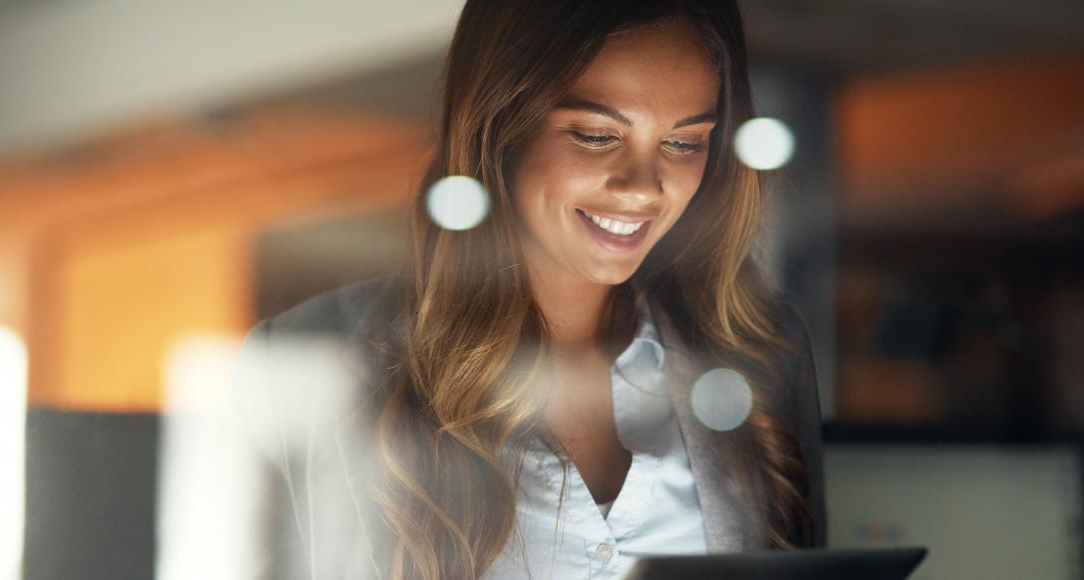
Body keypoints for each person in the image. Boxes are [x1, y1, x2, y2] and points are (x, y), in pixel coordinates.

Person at [231, 1, 825, 578]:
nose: (643, 189)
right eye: (596, 135)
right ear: (498, 129)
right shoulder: (312, 360)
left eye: (684, 142)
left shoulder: (760, 353)